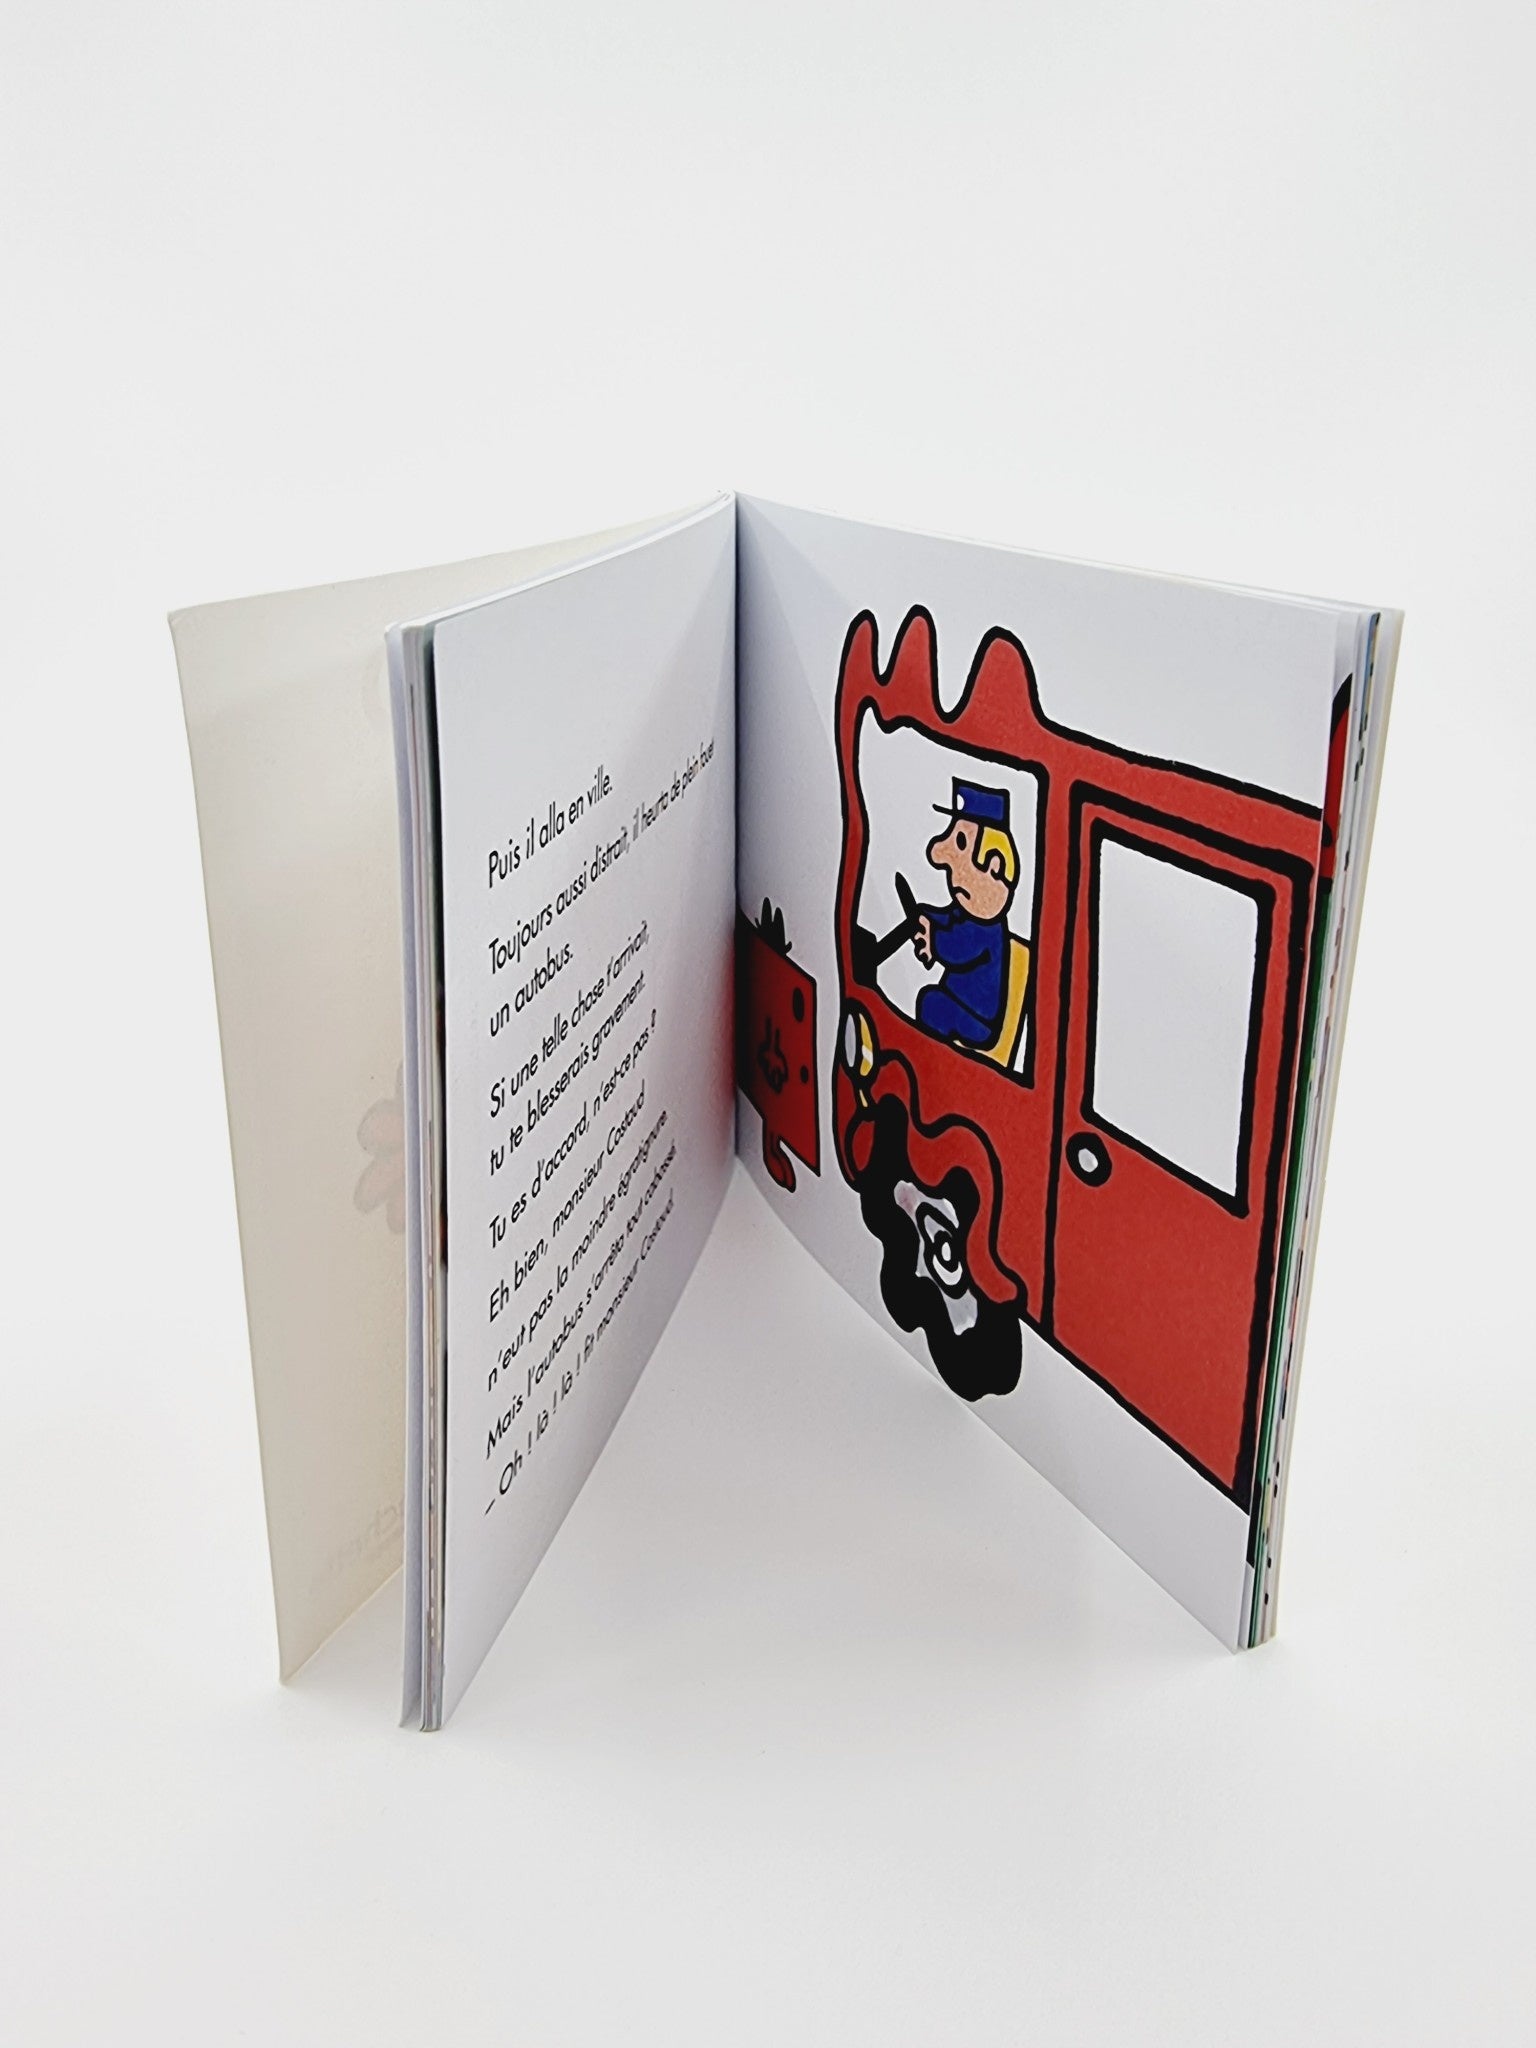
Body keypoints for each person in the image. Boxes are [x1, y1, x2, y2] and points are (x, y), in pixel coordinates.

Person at [913, 779, 1019, 1047]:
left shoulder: (985, 928)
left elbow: (957, 948)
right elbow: (947, 917)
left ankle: (933, 1056)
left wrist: (933, 939)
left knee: (932, 1004)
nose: (939, 857)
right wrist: (924, 915)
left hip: (977, 1018)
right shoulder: (967, 910)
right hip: (959, 1001)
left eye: (961, 843)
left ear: (994, 866)